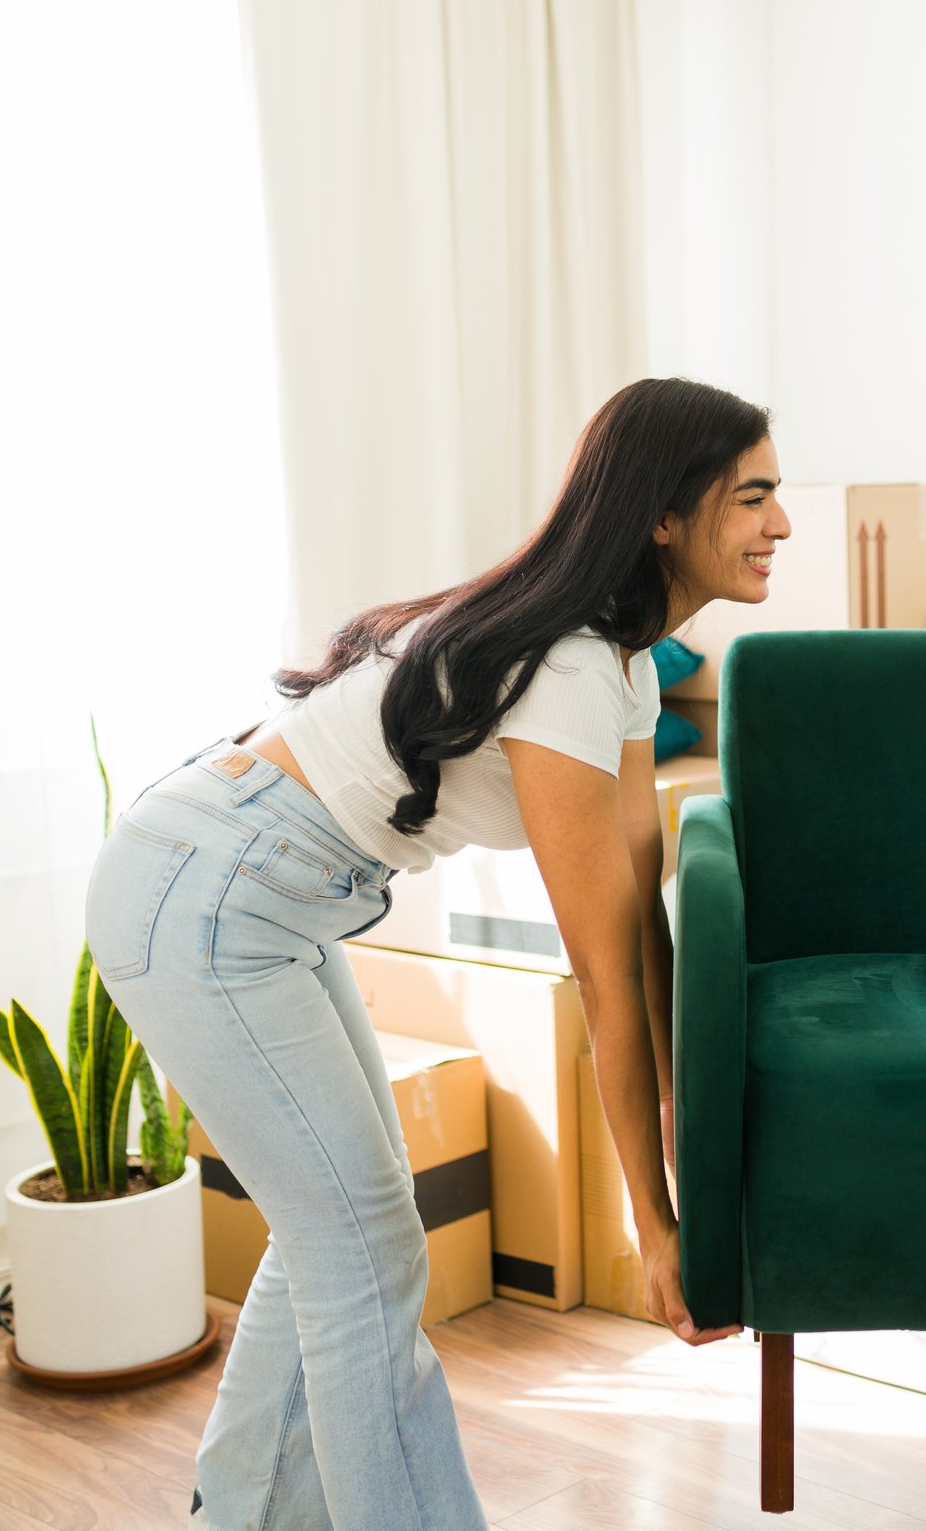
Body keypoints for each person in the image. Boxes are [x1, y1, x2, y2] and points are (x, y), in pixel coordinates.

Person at [85, 377, 787, 1530]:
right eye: (754, 496)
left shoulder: (619, 666)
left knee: (343, 1234)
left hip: (270, 898)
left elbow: (643, 936)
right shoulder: (567, 668)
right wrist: (652, 1226)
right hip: (205, 894)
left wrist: (684, 1142)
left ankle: (242, 1512)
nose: (783, 525)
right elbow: (603, 978)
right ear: (665, 513)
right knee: (359, 1242)